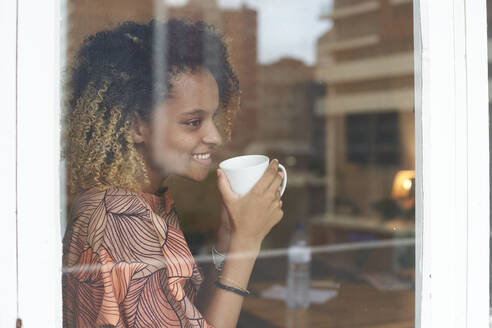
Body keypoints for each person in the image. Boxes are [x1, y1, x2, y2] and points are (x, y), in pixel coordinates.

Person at [62, 19, 284, 328]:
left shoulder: (139, 205)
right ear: (136, 126)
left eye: (212, 118)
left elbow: (192, 319)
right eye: (193, 122)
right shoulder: (121, 221)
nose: (215, 137)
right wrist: (247, 244)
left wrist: (229, 236)